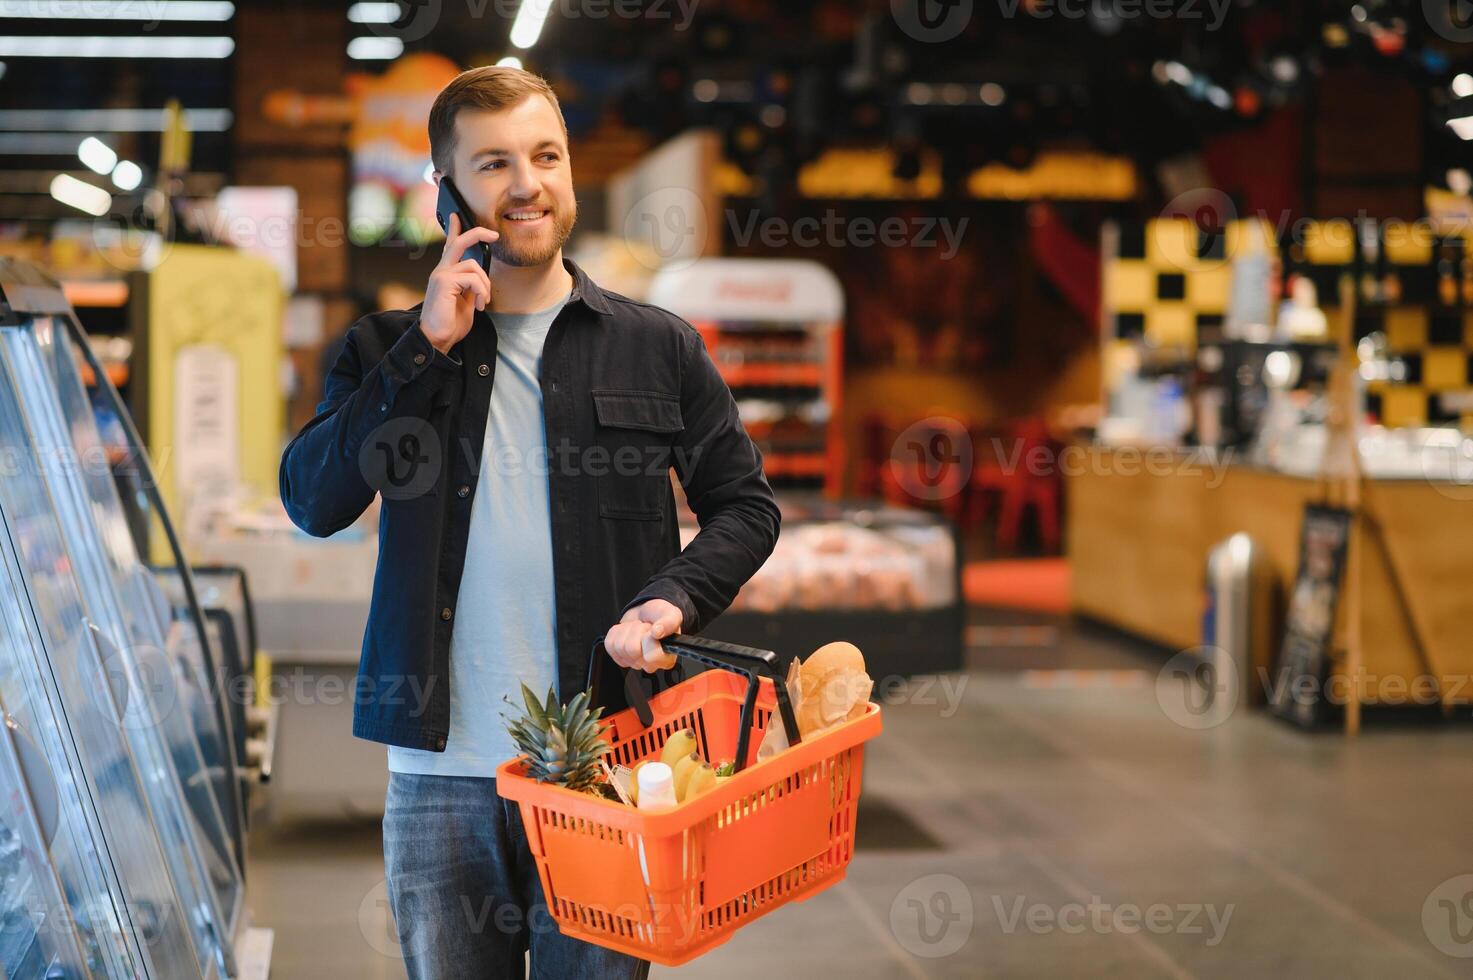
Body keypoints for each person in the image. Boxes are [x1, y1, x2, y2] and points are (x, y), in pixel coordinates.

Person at [278, 67, 780, 979]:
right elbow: (314, 502)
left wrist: (672, 599)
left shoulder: (657, 345)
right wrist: (420, 350)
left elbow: (745, 506)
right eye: (494, 163)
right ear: (446, 194)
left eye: (545, 155)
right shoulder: (379, 349)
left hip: (601, 769)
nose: (526, 184)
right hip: (438, 780)